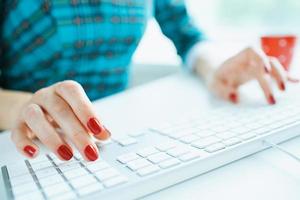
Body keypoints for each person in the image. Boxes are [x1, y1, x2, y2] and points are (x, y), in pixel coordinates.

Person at [0, 0, 288, 162]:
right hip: (27, 147)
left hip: (117, 143)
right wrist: (26, 109)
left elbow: (188, 35)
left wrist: (216, 70)